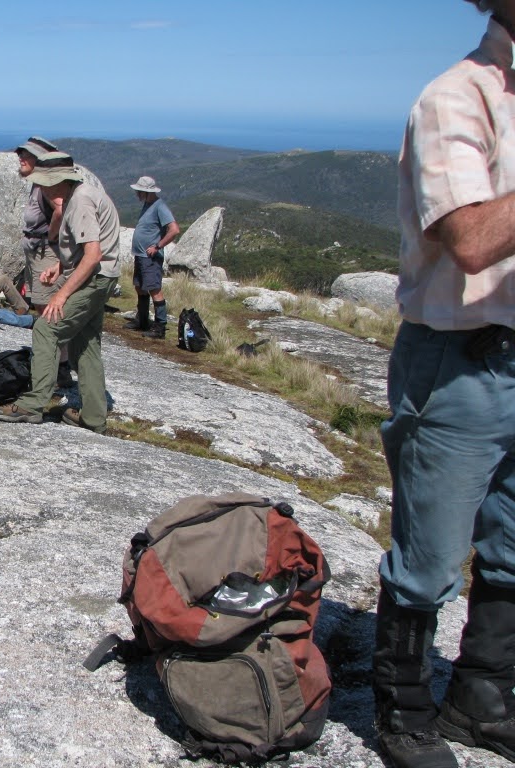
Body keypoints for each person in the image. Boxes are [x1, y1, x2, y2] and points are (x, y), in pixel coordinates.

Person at [371, 3, 515, 767]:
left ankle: (481, 698)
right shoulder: (457, 96)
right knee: (428, 557)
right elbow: (472, 239)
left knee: (514, 547)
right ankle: (404, 709)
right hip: (462, 356)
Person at [0, 152, 120, 433]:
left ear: (58, 180)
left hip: (94, 279)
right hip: (100, 277)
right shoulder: (80, 195)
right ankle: (94, 417)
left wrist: (61, 295)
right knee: (85, 345)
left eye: (45, 181)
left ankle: (32, 404)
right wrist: (61, 266)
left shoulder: (81, 201)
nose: (42, 187)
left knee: (46, 329)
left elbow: (94, 255)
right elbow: (88, 247)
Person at [15, 137, 74, 387]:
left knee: (49, 312)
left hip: (46, 255)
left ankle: (58, 370)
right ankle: (54, 366)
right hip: (37, 253)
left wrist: (50, 236)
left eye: (26, 155)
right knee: (43, 310)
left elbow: (60, 209)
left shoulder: (45, 188)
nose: (21, 158)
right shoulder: (37, 185)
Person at [127, 176, 179, 339]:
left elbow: (174, 229)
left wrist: (157, 246)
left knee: (154, 290)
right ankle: (142, 320)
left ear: (147, 192)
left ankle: (160, 327)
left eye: (139, 192)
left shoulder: (159, 206)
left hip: (150, 257)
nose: (137, 194)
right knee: (140, 287)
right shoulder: (148, 204)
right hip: (141, 255)